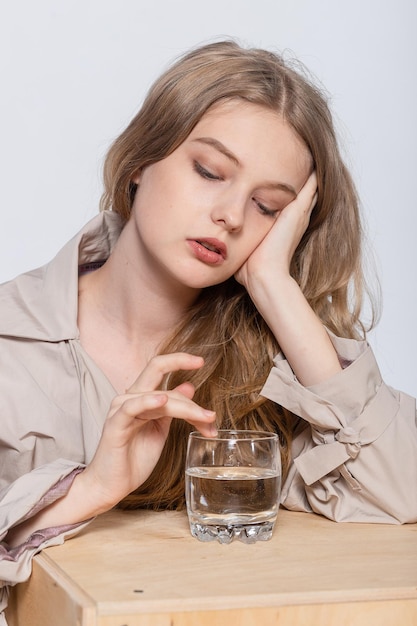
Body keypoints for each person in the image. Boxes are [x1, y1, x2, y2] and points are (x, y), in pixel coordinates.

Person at [1, 39, 416, 620]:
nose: (232, 215)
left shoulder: (273, 366)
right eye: (209, 171)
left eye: (269, 206)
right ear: (141, 161)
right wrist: (92, 487)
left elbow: (404, 489)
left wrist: (275, 288)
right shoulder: (9, 342)